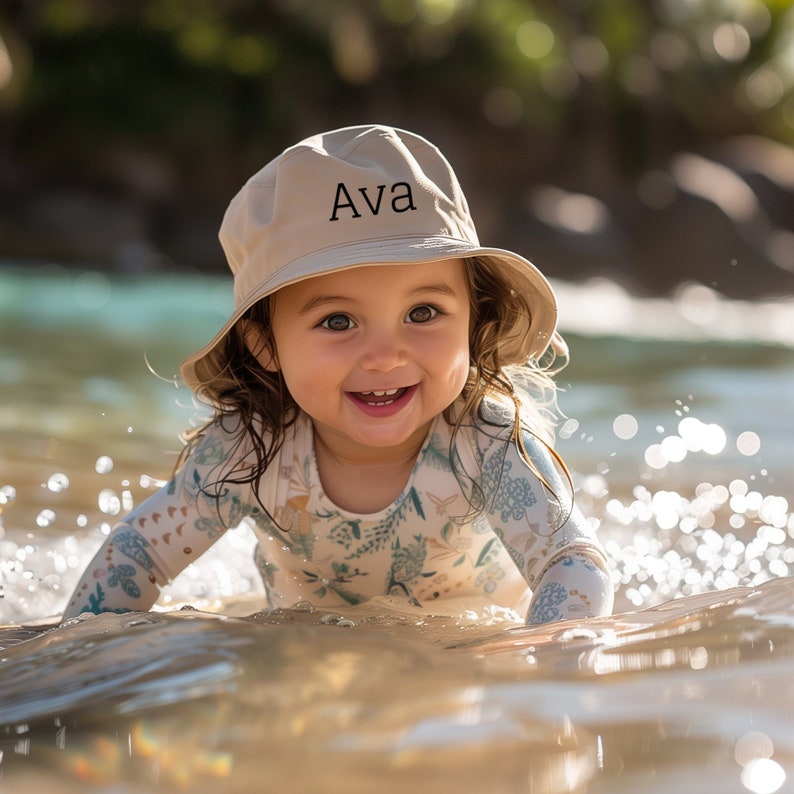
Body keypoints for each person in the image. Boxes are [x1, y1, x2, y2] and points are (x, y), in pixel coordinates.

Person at [63, 124, 614, 624]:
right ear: (266, 347)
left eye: (422, 313)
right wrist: (71, 663)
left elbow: (574, 564)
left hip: (471, 660)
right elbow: (139, 553)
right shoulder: (250, 448)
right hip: (313, 660)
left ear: (473, 320)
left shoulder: (488, 442)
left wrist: (549, 676)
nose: (384, 355)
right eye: (338, 320)